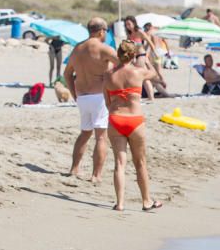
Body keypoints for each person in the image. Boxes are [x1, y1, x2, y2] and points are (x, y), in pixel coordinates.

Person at [103, 40, 161, 213]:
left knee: (119, 163)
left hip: (116, 119)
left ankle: (120, 203)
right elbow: (155, 73)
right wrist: (145, 58)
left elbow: (107, 102)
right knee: (140, 163)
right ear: (133, 55)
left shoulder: (108, 75)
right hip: (135, 120)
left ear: (118, 55)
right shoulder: (139, 72)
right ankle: (146, 201)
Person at [64, 18, 119, 183]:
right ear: (102, 31)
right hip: (99, 97)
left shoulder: (77, 49)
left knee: (85, 133)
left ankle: (74, 168)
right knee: (101, 136)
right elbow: (124, 67)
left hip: (82, 96)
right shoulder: (104, 49)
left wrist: (74, 94)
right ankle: (96, 175)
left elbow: (67, 74)